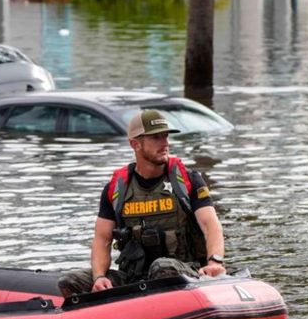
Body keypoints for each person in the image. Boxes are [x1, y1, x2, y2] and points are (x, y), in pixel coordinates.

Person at [58, 110, 226, 298]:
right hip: (134, 278)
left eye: (165, 136)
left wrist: (215, 263)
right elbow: (102, 239)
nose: (165, 143)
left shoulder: (188, 180)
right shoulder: (116, 188)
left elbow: (210, 226)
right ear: (135, 144)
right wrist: (99, 277)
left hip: (184, 272)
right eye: (156, 137)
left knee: (162, 267)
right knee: (70, 281)